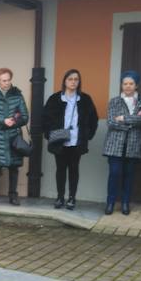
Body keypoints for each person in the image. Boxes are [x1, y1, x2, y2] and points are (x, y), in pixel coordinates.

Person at [43, 69, 98, 210]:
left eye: (76, 79)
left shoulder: (85, 99)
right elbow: (45, 119)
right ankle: (60, 197)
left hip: (76, 140)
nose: (73, 82)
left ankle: (72, 198)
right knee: (60, 169)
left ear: (79, 82)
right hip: (59, 138)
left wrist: (88, 135)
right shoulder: (55, 98)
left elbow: (93, 119)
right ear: (65, 81)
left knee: (74, 169)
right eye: (70, 79)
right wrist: (49, 134)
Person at [102, 70, 141, 215]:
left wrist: (122, 118)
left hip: (133, 144)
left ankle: (125, 203)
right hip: (114, 144)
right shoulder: (114, 101)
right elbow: (111, 122)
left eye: (131, 83)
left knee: (129, 175)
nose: (128, 86)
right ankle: (110, 202)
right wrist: (132, 120)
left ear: (136, 85)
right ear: (121, 85)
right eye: (125, 83)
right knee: (114, 173)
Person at [0, 68, 29, 205]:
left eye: (9, 79)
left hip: (14, 137)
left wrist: (13, 121)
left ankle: (13, 195)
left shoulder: (18, 95)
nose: (7, 83)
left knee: (13, 168)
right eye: (4, 80)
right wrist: (3, 121)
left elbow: (25, 117)